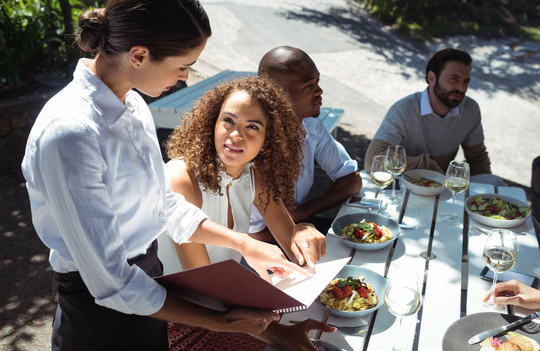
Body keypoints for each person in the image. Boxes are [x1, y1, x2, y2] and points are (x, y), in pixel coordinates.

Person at [20, 0, 310, 349]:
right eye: (183, 65)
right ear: (139, 55)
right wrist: (219, 322)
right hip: (98, 317)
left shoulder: (134, 104)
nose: (186, 77)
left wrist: (246, 244)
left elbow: (162, 204)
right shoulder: (70, 134)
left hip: (151, 287)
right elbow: (113, 283)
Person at [164, 76, 332, 350]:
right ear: (213, 124)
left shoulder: (255, 175)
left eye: (252, 127)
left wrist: (305, 230)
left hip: (232, 307)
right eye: (228, 121)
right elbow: (205, 285)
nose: (236, 135)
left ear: (268, 140)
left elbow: (293, 248)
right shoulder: (182, 178)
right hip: (184, 317)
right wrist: (274, 328)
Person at [249, 46, 362, 241]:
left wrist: (303, 212)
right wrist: (300, 225)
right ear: (276, 94)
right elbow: (253, 235)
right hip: (256, 250)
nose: (319, 91)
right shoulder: (252, 143)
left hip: (296, 227)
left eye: (317, 82)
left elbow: (352, 180)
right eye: (309, 85)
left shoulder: (310, 123)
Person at [364, 48, 504, 185]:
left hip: (441, 187)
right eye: (454, 79)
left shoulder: (470, 109)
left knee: (497, 184)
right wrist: (425, 164)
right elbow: (372, 160)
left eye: (466, 81)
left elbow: (477, 157)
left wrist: (487, 192)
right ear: (431, 78)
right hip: (404, 185)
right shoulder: (404, 110)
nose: (461, 88)